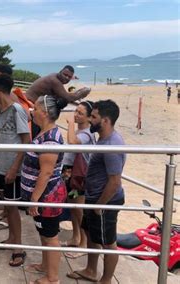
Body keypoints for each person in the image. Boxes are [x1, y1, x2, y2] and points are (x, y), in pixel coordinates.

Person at [67, 100, 126, 284]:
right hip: (94, 198)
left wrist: (100, 206)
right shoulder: (102, 137)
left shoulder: (112, 145)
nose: (90, 120)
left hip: (105, 201)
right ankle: (91, 270)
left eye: (94, 117)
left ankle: (106, 279)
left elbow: (115, 181)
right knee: (92, 235)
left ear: (106, 121)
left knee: (108, 243)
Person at [21, 95, 68, 284]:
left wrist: (35, 199)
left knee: (51, 236)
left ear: (46, 113)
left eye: (36, 109)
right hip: (42, 195)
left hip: (47, 195)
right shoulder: (43, 132)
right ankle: (44, 265)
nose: (33, 112)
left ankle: (52, 277)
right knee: (43, 232)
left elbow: (46, 173)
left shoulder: (51, 139)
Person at [0, 74, 31, 267]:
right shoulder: (1, 111)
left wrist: (15, 168)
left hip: (11, 169)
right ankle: (11, 239)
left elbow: (26, 142)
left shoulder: (17, 110)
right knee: (8, 206)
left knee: (13, 209)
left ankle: (19, 248)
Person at [60, 101, 96, 256]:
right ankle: (75, 237)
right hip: (70, 172)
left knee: (79, 209)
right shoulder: (82, 132)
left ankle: (83, 244)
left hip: (79, 176)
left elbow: (73, 142)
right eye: (76, 111)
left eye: (80, 113)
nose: (76, 114)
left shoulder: (87, 134)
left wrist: (70, 124)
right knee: (73, 207)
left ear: (89, 118)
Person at [25, 65, 90, 137]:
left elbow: (64, 96)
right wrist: (81, 93)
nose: (66, 78)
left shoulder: (55, 77)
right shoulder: (54, 81)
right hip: (30, 107)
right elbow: (67, 97)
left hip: (33, 107)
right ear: (60, 72)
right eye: (65, 74)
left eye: (69, 77)